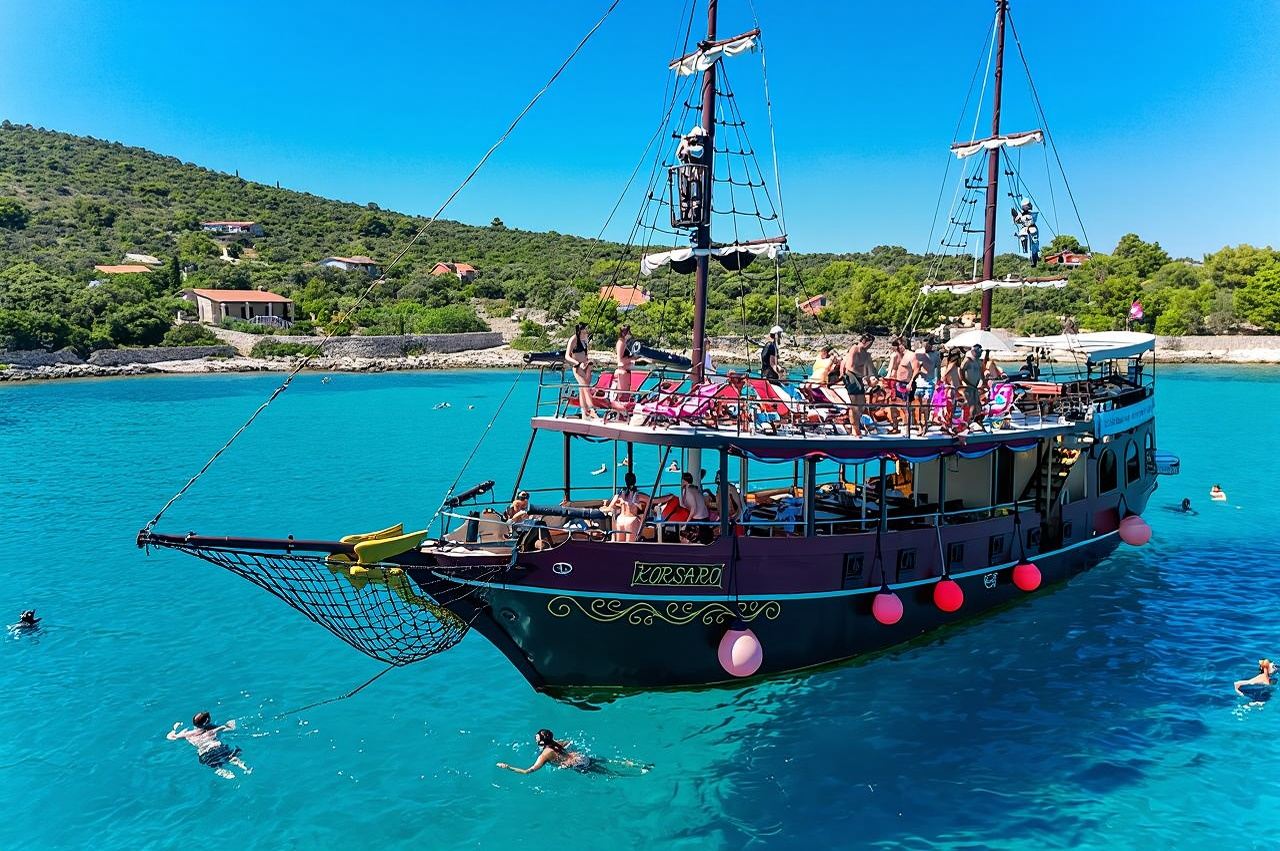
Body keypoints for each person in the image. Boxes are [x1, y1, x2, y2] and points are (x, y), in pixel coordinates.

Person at [497, 729, 651, 777]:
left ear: (540, 743)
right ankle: (641, 765)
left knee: (609, 773)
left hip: (576, 764)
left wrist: (508, 767)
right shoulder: (557, 742)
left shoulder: (544, 755)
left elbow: (527, 771)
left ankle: (636, 774)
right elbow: (569, 741)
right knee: (609, 761)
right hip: (580, 756)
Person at [167, 712, 250, 779]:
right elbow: (230, 727)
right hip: (218, 747)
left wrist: (174, 729)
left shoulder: (188, 734)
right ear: (207, 722)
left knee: (216, 766)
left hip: (205, 753)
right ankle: (243, 766)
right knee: (231, 758)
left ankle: (224, 773)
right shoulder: (212, 730)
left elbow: (170, 737)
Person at [841, 334, 876, 437]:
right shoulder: (855, 349)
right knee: (854, 404)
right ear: (866, 341)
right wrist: (862, 376)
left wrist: (870, 379)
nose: (871, 346)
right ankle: (855, 429)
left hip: (860, 378)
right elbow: (849, 366)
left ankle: (856, 425)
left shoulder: (866, 354)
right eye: (870, 343)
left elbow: (869, 369)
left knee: (861, 404)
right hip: (851, 376)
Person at [885, 335, 919, 435]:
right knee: (893, 405)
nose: (897, 347)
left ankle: (907, 429)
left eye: (898, 345)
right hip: (897, 383)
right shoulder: (898, 355)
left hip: (906, 384)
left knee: (905, 407)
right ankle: (895, 427)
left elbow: (916, 369)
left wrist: (911, 382)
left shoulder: (911, 355)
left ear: (903, 345)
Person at [566, 323, 599, 421]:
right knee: (585, 387)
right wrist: (576, 363)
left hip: (586, 366)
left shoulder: (585, 339)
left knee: (583, 389)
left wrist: (588, 362)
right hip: (578, 367)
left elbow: (585, 353)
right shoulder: (574, 339)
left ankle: (584, 412)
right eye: (585, 331)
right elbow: (567, 356)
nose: (586, 332)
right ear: (580, 330)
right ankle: (592, 409)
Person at [603, 473, 646, 542]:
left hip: (620, 520)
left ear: (625, 481)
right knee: (630, 546)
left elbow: (611, 507)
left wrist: (620, 506)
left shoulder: (620, 494)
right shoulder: (638, 495)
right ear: (635, 481)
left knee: (620, 545)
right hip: (631, 520)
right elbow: (655, 500)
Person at [680, 471, 713, 543]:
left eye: (681, 480)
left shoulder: (688, 491)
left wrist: (686, 523)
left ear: (684, 481)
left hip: (698, 519)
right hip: (705, 517)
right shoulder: (694, 488)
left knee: (682, 532)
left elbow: (693, 509)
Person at [960, 343, 985, 429]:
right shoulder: (968, 360)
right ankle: (970, 423)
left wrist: (983, 382)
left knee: (978, 404)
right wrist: (965, 381)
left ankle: (977, 421)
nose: (980, 353)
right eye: (979, 351)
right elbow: (961, 370)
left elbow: (981, 373)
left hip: (975, 386)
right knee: (972, 405)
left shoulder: (978, 361)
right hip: (968, 386)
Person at [1011, 197, 1040, 265]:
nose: (1025, 207)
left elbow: (1032, 219)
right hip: (1025, 228)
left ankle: (1035, 254)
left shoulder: (1033, 212)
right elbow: (1017, 221)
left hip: (1032, 227)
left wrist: (1022, 218)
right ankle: (1025, 249)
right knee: (1022, 236)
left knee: (1034, 240)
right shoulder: (1021, 214)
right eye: (1024, 206)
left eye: (1026, 206)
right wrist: (1015, 217)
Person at [614, 325, 637, 406]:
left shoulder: (626, 342)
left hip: (627, 367)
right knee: (623, 392)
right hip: (623, 367)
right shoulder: (621, 342)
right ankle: (621, 404)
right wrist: (632, 359)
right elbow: (620, 360)